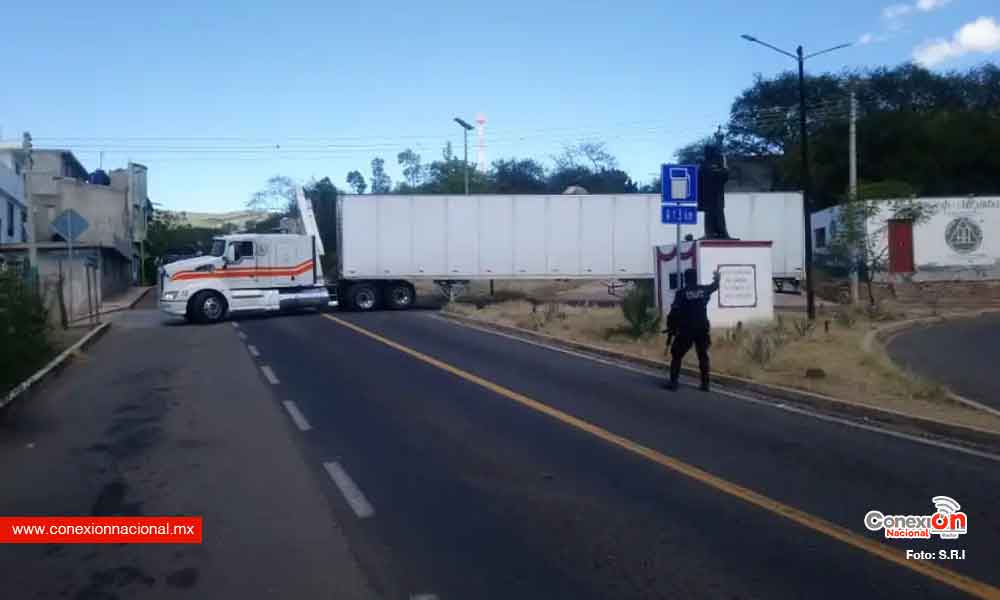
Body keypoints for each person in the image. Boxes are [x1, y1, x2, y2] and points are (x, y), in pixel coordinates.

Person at [665, 268, 720, 391]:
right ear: (695, 278)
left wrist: (671, 328)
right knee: (703, 355)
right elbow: (715, 286)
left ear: (685, 279)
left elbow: (674, 312)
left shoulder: (681, 293)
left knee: (677, 355)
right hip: (702, 328)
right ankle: (705, 384)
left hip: (686, 329)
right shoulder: (704, 290)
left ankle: (673, 383)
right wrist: (717, 277)